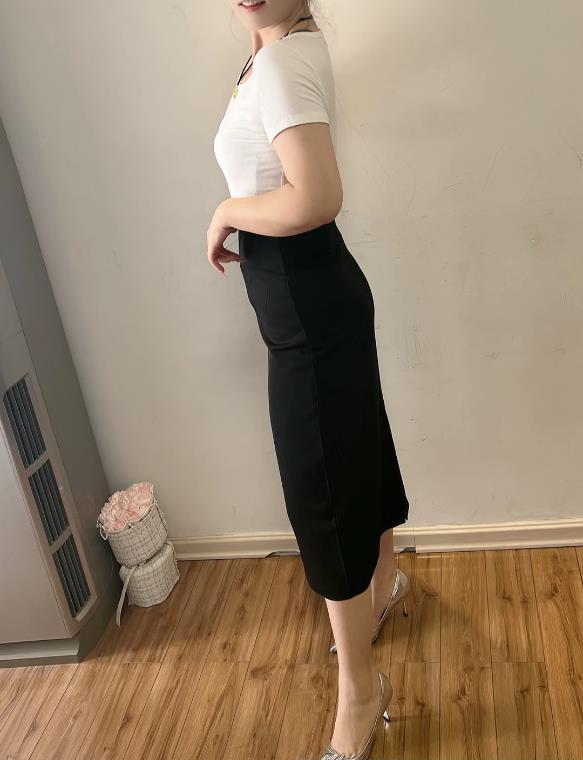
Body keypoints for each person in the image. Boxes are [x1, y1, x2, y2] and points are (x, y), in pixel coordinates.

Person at [210, 2, 411, 757]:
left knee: (320, 490)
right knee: (354, 448)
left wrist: (226, 210)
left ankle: (360, 696)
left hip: (307, 307)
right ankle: (383, 584)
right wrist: (256, 31)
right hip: (316, 296)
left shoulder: (282, 63)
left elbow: (317, 196)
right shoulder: (284, 47)